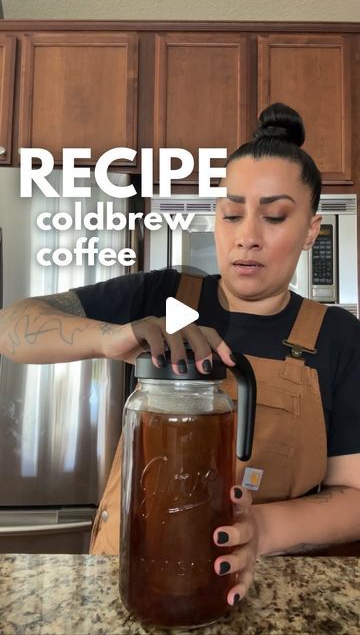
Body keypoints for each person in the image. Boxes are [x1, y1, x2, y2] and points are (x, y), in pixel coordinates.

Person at [1, 103, 359, 607]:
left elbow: (355, 495)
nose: (246, 236)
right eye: (231, 213)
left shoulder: (338, 336)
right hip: (131, 577)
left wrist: (262, 526)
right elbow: (11, 327)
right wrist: (109, 337)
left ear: (310, 230)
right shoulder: (166, 295)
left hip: (266, 590)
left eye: (274, 216)